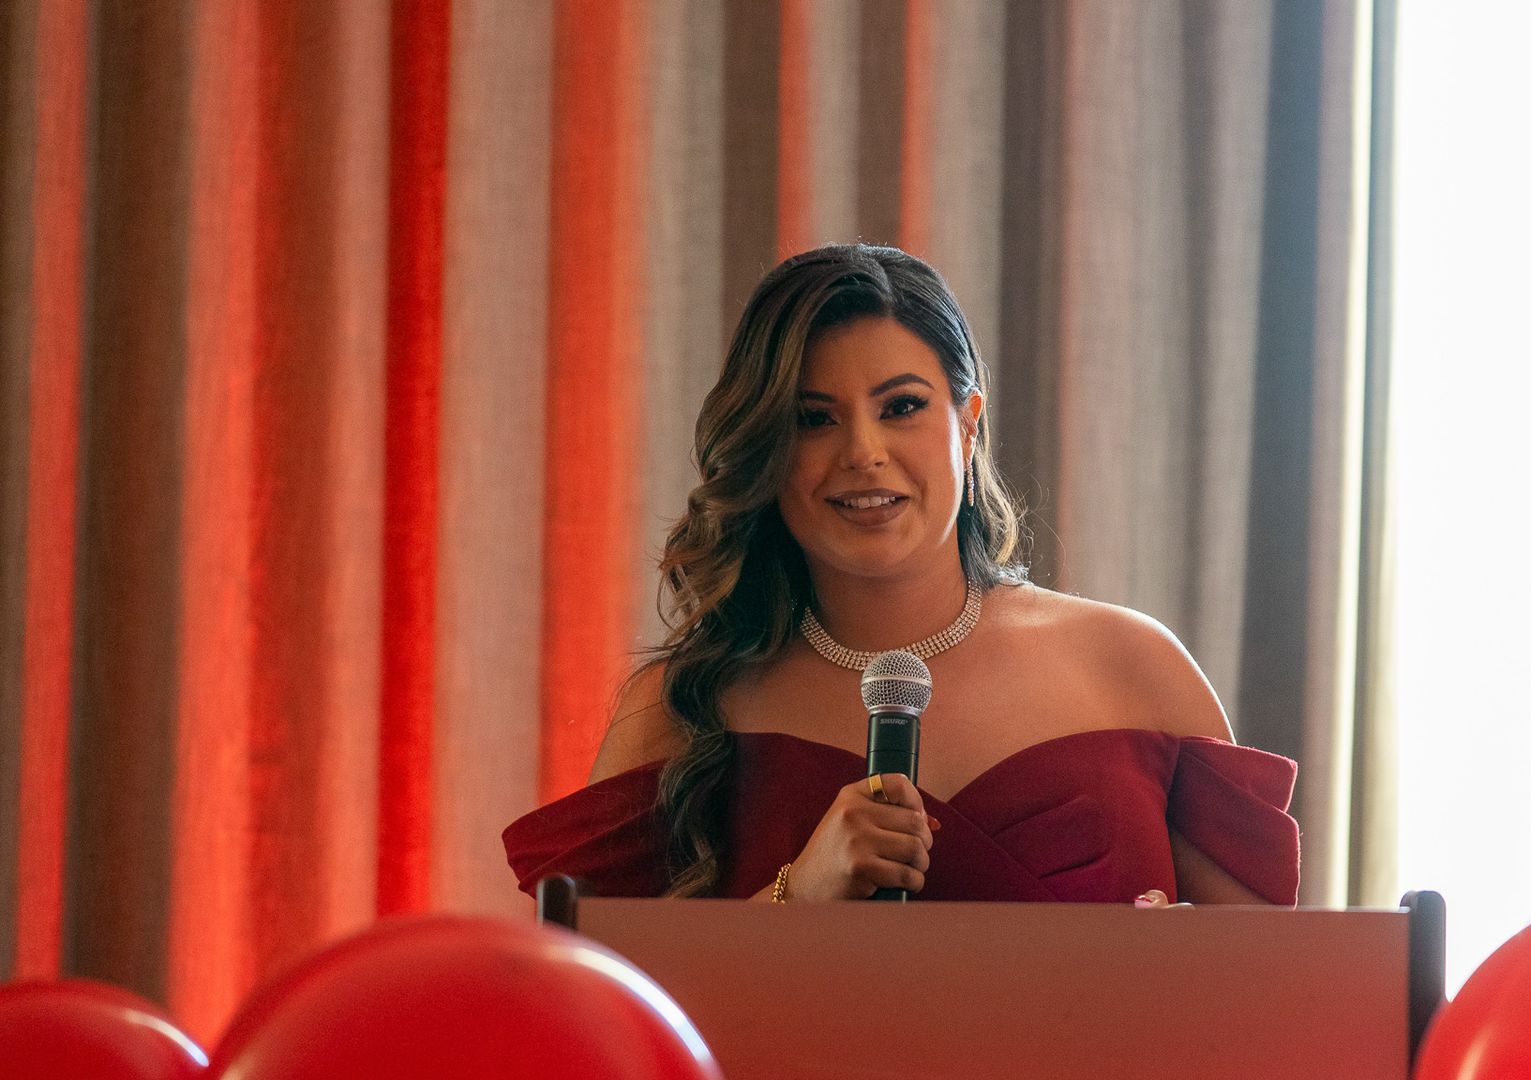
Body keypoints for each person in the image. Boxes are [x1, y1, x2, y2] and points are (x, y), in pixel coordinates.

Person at [502, 244, 1300, 907]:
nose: (863, 452)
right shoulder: (681, 709)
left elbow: (1271, 995)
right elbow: (593, 1018)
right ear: (767, 451)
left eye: (902, 407)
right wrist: (793, 898)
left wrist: (1178, 973)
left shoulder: (1135, 668)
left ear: (968, 424)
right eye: (814, 419)